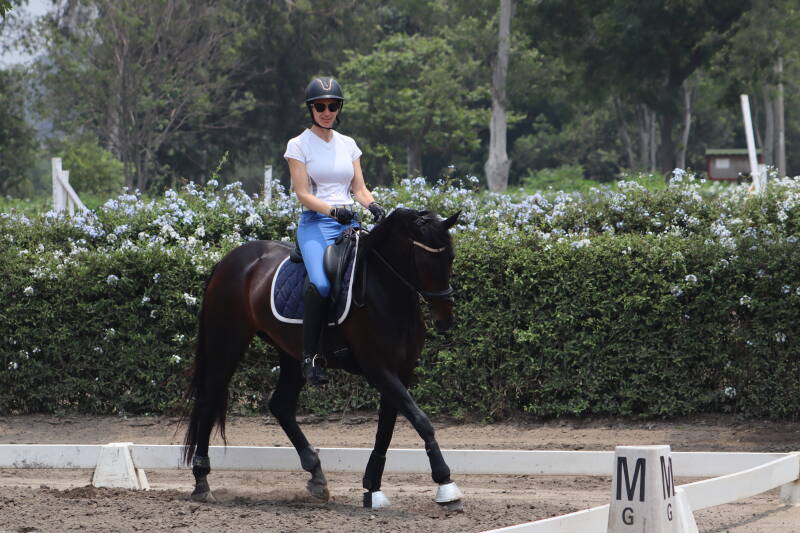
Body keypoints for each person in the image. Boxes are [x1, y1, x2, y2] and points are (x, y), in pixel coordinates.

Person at [284, 76, 386, 386]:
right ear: (311, 109)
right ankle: (310, 357)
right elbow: (302, 193)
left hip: (349, 223)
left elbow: (359, 188)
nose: (327, 111)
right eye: (320, 106)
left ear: (339, 108)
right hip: (316, 223)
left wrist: (374, 207)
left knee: (374, 278)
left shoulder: (349, 144)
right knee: (322, 285)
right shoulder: (298, 145)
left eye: (332, 106)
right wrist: (332, 211)